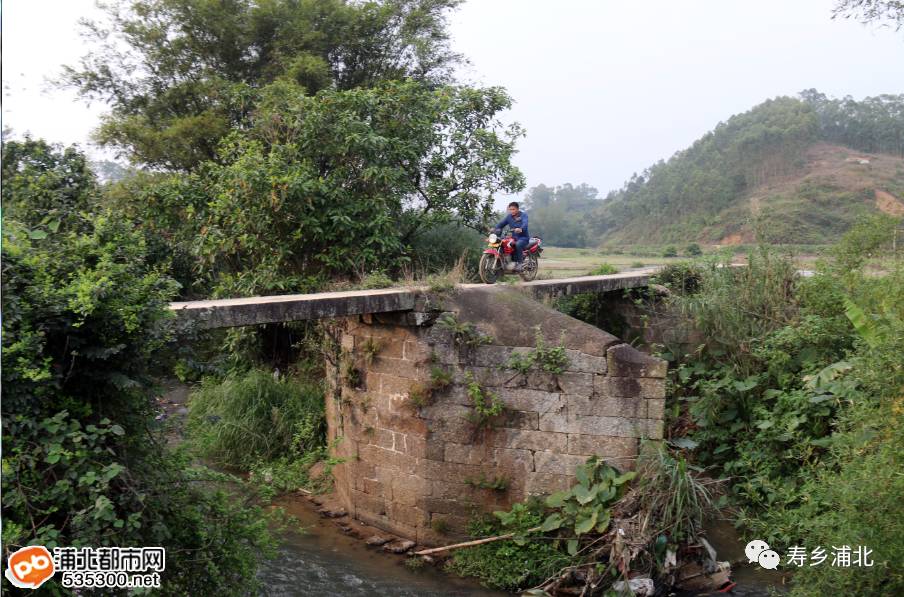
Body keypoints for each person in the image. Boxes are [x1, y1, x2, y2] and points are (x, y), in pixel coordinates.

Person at [492, 201, 530, 271]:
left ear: (517, 209)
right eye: (510, 209)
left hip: (523, 238)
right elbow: (501, 224)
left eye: (513, 209)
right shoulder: (509, 217)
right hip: (514, 237)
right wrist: (494, 229)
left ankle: (520, 263)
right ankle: (505, 262)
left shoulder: (523, 215)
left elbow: (525, 223)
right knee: (502, 242)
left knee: (518, 244)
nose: (512, 211)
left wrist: (521, 228)